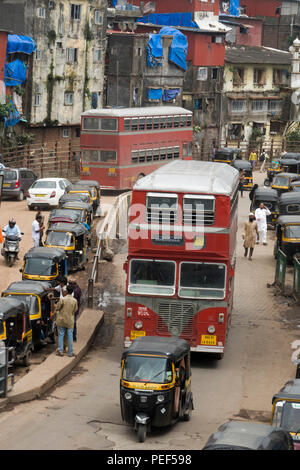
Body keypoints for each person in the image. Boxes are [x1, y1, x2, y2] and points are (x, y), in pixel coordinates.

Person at [55, 285, 78, 357]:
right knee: (70, 336)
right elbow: (75, 310)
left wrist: (55, 306)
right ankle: (70, 352)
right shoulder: (74, 300)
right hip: (70, 321)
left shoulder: (63, 299)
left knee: (61, 335)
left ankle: (61, 351)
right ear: (72, 292)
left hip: (61, 320)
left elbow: (57, 308)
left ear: (67, 291)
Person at [68, 278, 82, 342]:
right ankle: (73, 335)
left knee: (73, 323)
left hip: (73, 309)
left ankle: (73, 336)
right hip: (76, 308)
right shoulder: (78, 289)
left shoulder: (75, 291)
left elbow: (73, 301)